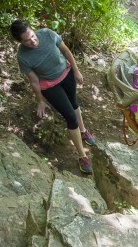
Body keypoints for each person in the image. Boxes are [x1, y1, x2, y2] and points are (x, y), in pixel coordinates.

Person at [10, 19, 96, 174]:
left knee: (74, 103)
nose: (33, 41)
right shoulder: (22, 56)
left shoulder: (48, 34)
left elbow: (65, 51)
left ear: (33, 30)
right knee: (70, 116)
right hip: (50, 86)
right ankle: (82, 156)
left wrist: (76, 70)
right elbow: (34, 80)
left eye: (33, 36)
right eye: (27, 41)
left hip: (67, 74)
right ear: (20, 41)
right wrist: (40, 101)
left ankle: (83, 131)